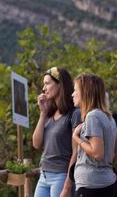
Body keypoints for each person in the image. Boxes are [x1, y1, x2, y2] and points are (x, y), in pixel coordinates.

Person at [72, 74, 117, 197]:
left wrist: (76, 138)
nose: (72, 94)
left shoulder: (92, 116)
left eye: (75, 90)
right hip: (107, 183)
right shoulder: (108, 117)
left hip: (92, 187)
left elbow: (97, 153)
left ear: (85, 92)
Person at [33, 67, 81, 197]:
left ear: (60, 84)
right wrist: (42, 113)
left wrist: (67, 186)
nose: (44, 88)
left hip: (61, 176)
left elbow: (76, 152)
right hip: (43, 175)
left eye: (47, 83)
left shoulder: (74, 114)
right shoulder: (48, 114)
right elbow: (36, 144)